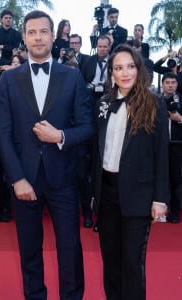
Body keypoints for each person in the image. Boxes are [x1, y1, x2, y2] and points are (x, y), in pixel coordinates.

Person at [0, 10, 94, 299]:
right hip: (24, 178)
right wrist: (17, 179)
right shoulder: (9, 80)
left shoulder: (72, 77)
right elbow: (2, 133)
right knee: (29, 249)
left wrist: (60, 136)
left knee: (70, 248)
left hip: (63, 177)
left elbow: (88, 128)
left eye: (43, 31)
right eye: (32, 32)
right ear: (24, 38)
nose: (38, 37)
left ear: (53, 36)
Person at [93, 45, 169, 300]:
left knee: (132, 264)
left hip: (138, 195)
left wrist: (160, 198)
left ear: (138, 69)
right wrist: (95, 192)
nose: (124, 73)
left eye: (130, 66)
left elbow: (162, 154)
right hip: (107, 194)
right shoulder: (103, 104)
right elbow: (97, 152)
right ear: (111, 73)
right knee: (111, 262)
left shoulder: (154, 103)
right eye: (118, 68)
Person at [160, 72, 182, 223]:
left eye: (173, 82)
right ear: (162, 84)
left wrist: (179, 118)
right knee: (158, 179)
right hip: (158, 146)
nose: (170, 85)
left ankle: (174, 211)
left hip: (176, 145)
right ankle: (158, 210)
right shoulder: (155, 99)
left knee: (175, 180)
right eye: (167, 82)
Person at [82, 35, 111, 101]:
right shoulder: (88, 60)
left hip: (108, 94)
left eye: (105, 47)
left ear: (109, 47)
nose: (102, 49)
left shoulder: (114, 61)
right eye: (100, 46)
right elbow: (83, 79)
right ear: (96, 47)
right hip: (90, 94)